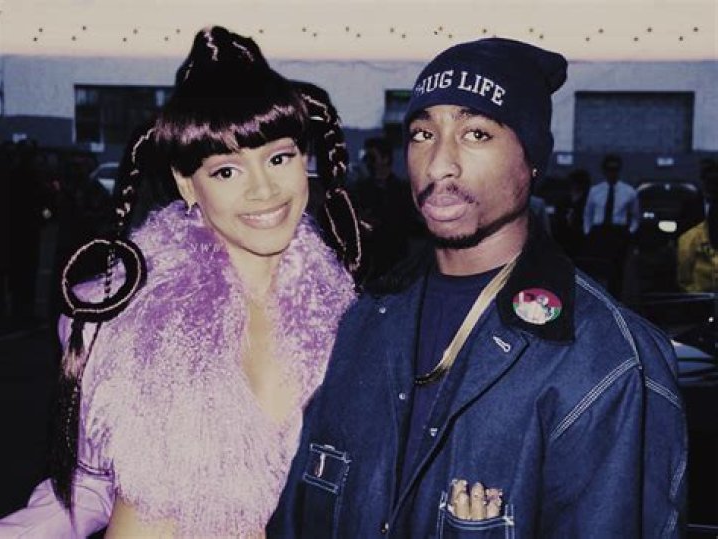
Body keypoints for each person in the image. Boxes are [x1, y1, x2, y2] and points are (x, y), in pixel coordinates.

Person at [269, 37, 686, 538]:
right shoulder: (362, 323)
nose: (438, 164)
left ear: (532, 159)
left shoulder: (606, 361)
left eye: (476, 134)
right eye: (423, 134)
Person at [0, 26, 359, 538]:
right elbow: (90, 485)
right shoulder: (119, 314)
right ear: (188, 183)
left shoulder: (353, 318)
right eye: (227, 171)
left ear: (306, 161)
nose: (264, 190)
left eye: (279, 158)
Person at [350, 136, 423, 283]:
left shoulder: (403, 191)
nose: (368, 162)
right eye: (367, 158)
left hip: (396, 263)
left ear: (385, 159)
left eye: (372, 158)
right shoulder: (360, 190)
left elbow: (412, 224)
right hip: (369, 264)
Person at [582, 153, 640, 297]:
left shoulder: (629, 192)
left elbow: (635, 215)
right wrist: (588, 231)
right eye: (609, 170)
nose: (612, 173)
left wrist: (630, 231)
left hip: (618, 232)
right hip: (599, 231)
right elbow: (587, 213)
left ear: (619, 170)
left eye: (615, 170)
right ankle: (599, 297)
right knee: (598, 268)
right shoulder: (595, 191)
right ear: (604, 171)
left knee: (617, 268)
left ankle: (615, 297)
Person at [676, 161, 717, 292]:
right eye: (709, 181)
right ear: (703, 181)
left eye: (715, 181)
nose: (712, 185)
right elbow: (682, 229)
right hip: (695, 257)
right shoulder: (691, 204)